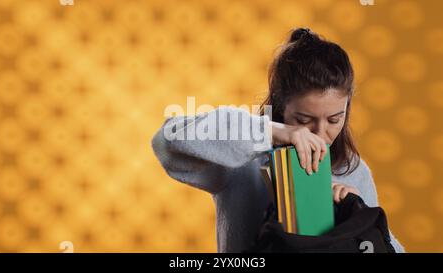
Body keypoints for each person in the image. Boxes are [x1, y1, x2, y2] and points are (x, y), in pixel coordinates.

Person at [152, 27, 405, 253]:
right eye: (305, 119)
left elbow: (391, 249)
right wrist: (270, 131)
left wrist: (359, 216)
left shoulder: (354, 170)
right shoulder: (242, 160)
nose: (319, 133)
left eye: (334, 120)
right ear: (282, 106)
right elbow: (167, 141)